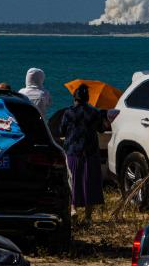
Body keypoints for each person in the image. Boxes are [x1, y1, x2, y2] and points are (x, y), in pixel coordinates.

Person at [59, 83, 104, 224]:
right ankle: (88, 217)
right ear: (87, 98)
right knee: (89, 181)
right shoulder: (94, 112)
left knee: (73, 180)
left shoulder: (68, 112)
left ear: (75, 98)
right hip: (90, 151)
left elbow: (61, 130)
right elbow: (101, 129)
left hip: (72, 151)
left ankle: (73, 209)